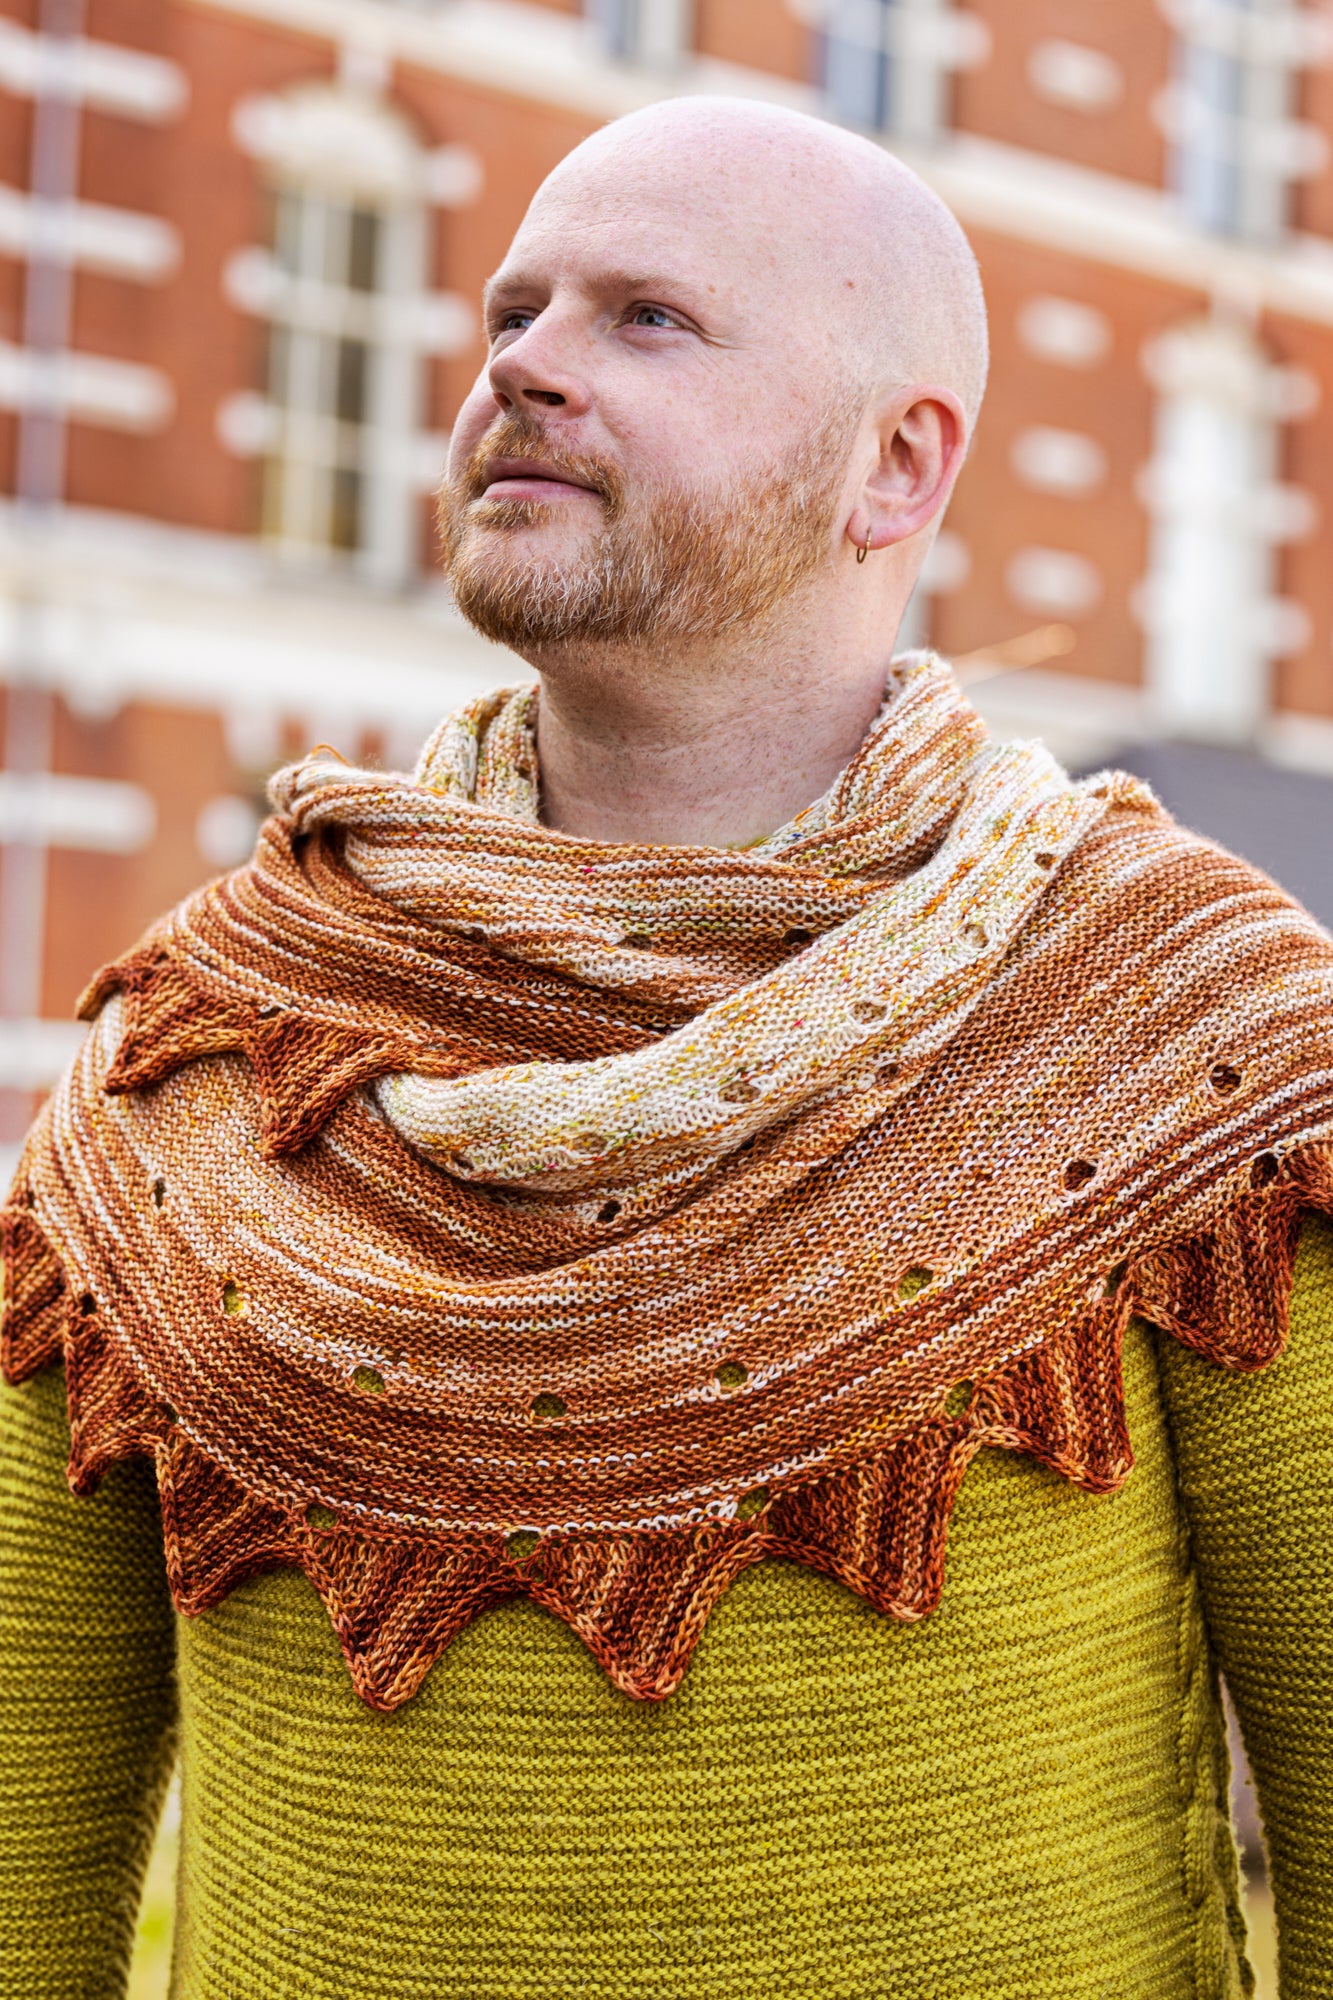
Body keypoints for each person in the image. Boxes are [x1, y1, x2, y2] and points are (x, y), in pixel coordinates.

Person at [2, 96, 1331, 2000]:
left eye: (647, 320)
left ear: (893, 466)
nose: (523, 366)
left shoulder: (1189, 1040)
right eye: (512, 312)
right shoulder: (200, 1041)